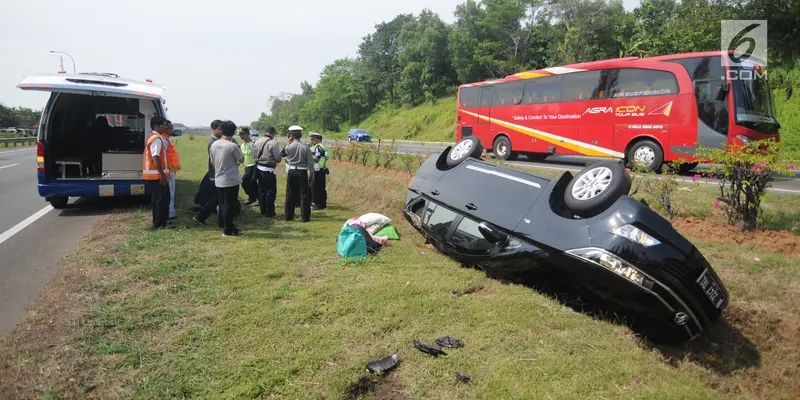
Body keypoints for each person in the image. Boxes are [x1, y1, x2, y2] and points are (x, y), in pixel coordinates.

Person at [206, 120, 244, 236]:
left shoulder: (214, 144)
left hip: (219, 178)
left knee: (223, 204)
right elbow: (241, 159)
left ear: (221, 130)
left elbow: (212, 161)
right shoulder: (232, 146)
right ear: (233, 132)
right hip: (231, 180)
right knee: (229, 205)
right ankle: (227, 229)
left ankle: (228, 226)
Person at [142, 116, 172, 229]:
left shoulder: (153, 137)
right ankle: (160, 223)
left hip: (153, 174)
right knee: (163, 199)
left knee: (157, 199)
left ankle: (158, 221)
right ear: (156, 125)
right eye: (164, 124)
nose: (166, 126)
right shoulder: (156, 139)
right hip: (157, 175)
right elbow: (156, 157)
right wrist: (162, 174)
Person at [194, 120, 224, 227]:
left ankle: (202, 216)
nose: (221, 131)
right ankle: (202, 216)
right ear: (213, 129)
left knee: (217, 197)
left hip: (216, 174)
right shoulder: (213, 142)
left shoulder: (217, 141)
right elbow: (215, 161)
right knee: (218, 197)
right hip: (216, 174)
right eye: (219, 129)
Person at [281, 125, 313, 222]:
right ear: (301, 135)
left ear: (291, 135)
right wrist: (311, 174)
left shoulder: (288, 147)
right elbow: (310, 163)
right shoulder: (306, 147)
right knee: (304, 195)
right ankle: (305, 217)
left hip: (291, 171)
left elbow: (282, 154)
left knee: (290, 194)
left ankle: (288, 216)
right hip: (302, 171)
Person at [252, 126, 282, 217]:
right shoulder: (272, 143)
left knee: (261, 190)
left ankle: (263, 210)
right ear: (271, 133)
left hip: (259, 167)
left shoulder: (257, 141)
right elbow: (278, 158)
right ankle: (269, 212)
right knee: (270, 191)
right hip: (268, 169)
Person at [163, 120, 182, 220]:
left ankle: (170, 212)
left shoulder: (167, 140)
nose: (171, 130)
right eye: (170, 128)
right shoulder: (164, 140)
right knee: (169, 193)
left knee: (171, 192)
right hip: (168, 171)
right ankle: (170, 213)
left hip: (171, 170)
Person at [308, 132, 330, 210]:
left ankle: (318, 204)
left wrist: (310, 157)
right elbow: (326, 157)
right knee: (321, 187)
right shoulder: (323, 147)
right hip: (322, 169)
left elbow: (317, 157)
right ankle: (322, 203)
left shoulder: (317, 147)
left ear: (317, 139)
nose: (311, 140)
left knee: (316, 187)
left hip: (317, 169)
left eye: (312, 139)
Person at [238, 127, 259, 206]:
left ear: (247, 134)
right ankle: (254, 198)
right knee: (252, 184)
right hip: (247, 166)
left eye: (243, 134)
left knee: (244, 181)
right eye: (240, 134)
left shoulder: (253, 143)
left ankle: (252, 197)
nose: (241, 136)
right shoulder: (242, 145)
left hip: (253, 166)